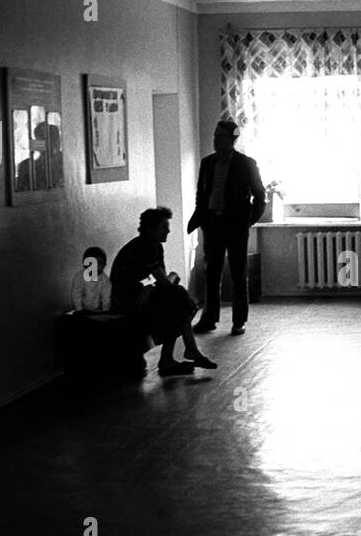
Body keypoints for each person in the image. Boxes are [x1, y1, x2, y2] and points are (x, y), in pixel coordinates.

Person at [111, 206, 217, 376]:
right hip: (125, 297)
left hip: (139, 292)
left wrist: (156, 285)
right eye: (163, 227)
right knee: (178, 297)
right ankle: (181, 354)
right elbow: (165, 283)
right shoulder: (143, 247)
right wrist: (162, 282)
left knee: (177, 298)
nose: (168, 230)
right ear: (149, 229)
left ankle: (179, 355)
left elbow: (164, 284)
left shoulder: (155, 247)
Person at [188, 120, 266, 336]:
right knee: (211, 273)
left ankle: (239, 321)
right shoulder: (208, 163)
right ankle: (209, 318)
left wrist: (247, 221)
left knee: (239, 273)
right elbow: (201, 195)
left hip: (236, 225)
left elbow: (260, 197)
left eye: (219, 137)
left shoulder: (246, 164)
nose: (215, 140)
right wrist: (202, 218)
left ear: (231, 140)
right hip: (213, 223)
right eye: (214, 136)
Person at [70, 246, 113, 313]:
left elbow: (106, 297)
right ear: (85, 264)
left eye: (100, 263)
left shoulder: (105, 281)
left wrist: (105, 311)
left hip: (98, 310)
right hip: (82, 309)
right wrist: (79, 310)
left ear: (105, 265)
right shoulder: (79, 277)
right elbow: (76, 294)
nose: (96, 266)